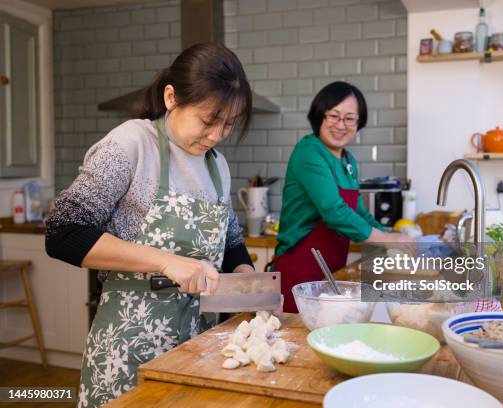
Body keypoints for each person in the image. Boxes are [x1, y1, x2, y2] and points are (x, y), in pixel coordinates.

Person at [45, 43, 255, 407]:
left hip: (197, 348)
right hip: (128, 352)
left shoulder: (216, 165)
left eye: (229, 125)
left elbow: (231, 241)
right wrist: (165, 261)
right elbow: (63, 231)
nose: (217, 135)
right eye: (209, 121)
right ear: (171, 97)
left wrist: (248, 280)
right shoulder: (132, 144)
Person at [272, 81, 412, 313]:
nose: (340, 125)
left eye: (349, 118)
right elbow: (334, 210)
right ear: (320, 116)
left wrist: (392, 235)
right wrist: (387, 240)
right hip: (301, 267)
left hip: (331, 267)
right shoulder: (309, 152)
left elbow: (358, 212)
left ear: (359, 123)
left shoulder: (348, 161)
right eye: (333, 116)